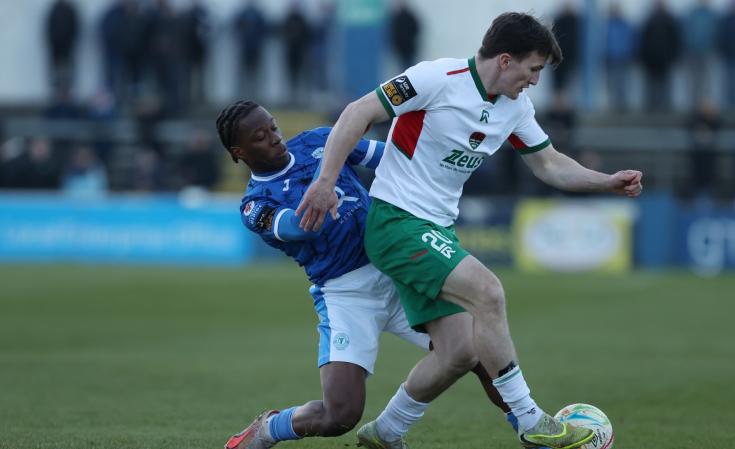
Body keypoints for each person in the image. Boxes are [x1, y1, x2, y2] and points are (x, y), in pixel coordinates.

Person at [297, 12, 643, 449]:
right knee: (489, 292)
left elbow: (550, 164)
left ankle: (385, 433)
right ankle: (532, 420)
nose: (535, 81)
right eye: (533, 69)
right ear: (504, 60)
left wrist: (606, 181)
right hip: (396, 221)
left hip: (436, 229)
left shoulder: (516, 108)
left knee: (460, 353)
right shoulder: (435, 78)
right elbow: (357, 111)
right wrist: (325, 181)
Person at [215, 101, 512, 449]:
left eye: (274, 127)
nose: (275, 138)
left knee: (476, 349)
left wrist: (443, 155)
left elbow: (391, 155)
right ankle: (270, 427)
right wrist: (322, 197)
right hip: (346, 292)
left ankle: (530, 425)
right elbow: (297, 228)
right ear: (239, 152)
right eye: (260, 137)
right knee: (340, 414)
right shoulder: (255, 204)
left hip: (397, 268)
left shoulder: (321, 141)